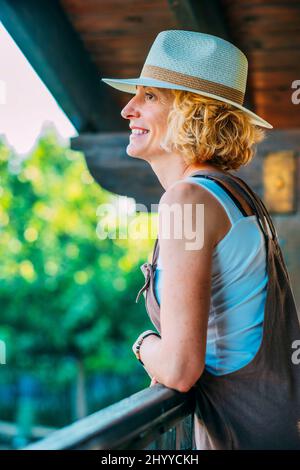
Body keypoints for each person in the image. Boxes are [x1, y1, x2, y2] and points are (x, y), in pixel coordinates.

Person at [101, 30, 300, 450]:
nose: (127, 109)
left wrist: (143, 343)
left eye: (149, 97)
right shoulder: (234, 194)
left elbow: (177, 369)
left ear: (193, 113)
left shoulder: (188, 199)